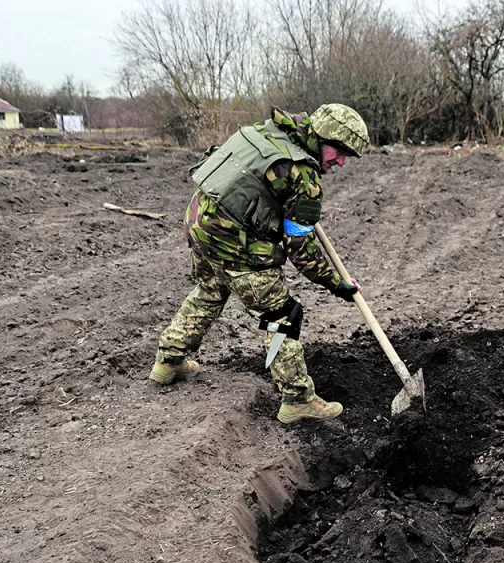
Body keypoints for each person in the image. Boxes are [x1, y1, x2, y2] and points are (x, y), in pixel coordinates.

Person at [149, 104, 368, 423]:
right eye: (339, 151)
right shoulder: (303, 174)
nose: (340, 161)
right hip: (233, 238)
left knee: (211, 288)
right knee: (283, 314)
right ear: (321, 137)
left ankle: (168, 360)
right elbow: (301, 249)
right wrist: (337, 284)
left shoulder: (266, 131)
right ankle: (297, 399)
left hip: (200, 221)